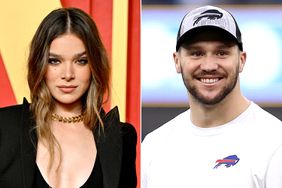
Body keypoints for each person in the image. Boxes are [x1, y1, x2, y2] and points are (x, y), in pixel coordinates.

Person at [142, 5, 282, 188]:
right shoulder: (154, 146)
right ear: (177, 61)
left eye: (221, 53)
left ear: (242, 60)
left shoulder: (275, 141)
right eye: (196, 53)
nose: (209, 65)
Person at [0, 8, 137, 188]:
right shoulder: (5, 127)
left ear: (95, 64)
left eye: (81, 61)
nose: (68, 74)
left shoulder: (121, 137)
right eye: (54, 61)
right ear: (39, 63)